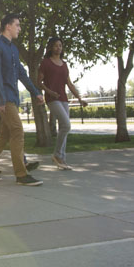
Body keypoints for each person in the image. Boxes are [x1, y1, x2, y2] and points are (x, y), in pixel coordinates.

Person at [0, 13, 46, 185]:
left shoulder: (13, 49)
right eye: (17, 25)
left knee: (5, 135)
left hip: (13, 98)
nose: (19, 28)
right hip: (5, 99)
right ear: (7, 26)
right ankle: (21, 174)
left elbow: (21, 74)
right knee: (18, 130)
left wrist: (36, 92)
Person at [38, 37, 88, 170]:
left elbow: (69, 84)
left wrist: (79, 98)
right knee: (66, 125)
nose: (58, 48)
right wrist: (50, 92)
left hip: (64, 99)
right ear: (50, 48)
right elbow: (39, 82)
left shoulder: (64, 64)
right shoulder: (46, 63)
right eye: (55, 46)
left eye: (60, 45)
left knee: (63, 129)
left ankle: (62, 160)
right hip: (52, 99)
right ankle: (57, 155)